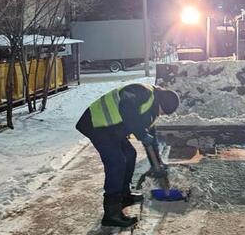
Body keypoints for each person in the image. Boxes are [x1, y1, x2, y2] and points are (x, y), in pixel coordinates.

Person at [76, 83, 180, 227]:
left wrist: (157, 164)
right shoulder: (142, 91)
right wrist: (141, 134)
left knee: (130, 154)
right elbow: (126, 107)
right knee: (117, 162)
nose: (160, 114)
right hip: (96, 124)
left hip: (111, 129)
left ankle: (125, 196)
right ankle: (111, 214)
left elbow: (151, 140)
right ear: (160, 102)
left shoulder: (151, 110)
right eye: (161, 111)